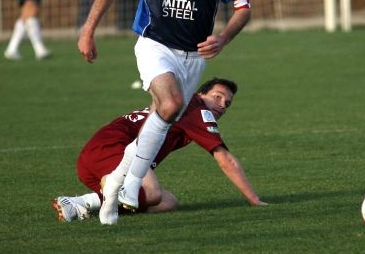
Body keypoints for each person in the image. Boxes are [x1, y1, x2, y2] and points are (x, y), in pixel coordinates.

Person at [77, 0, 252, 225]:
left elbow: (243, 8)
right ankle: (128, 189)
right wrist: (87, 31)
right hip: (154, 44)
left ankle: (115, 182)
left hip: (194, 57)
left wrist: (224, 38)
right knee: (170, 105)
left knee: (162, 115)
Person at [52, 78, 267, 222]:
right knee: (152, 192)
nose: (222, 105)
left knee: (167, 202)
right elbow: (225, 159)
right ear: (201, 94)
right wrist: (254, 200)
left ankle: (82, 203)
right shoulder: (196, 108)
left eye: (227, 104)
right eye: (217, 97)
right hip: (110, 149)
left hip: (94, 157)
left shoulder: (184, 102)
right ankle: (98, 195)